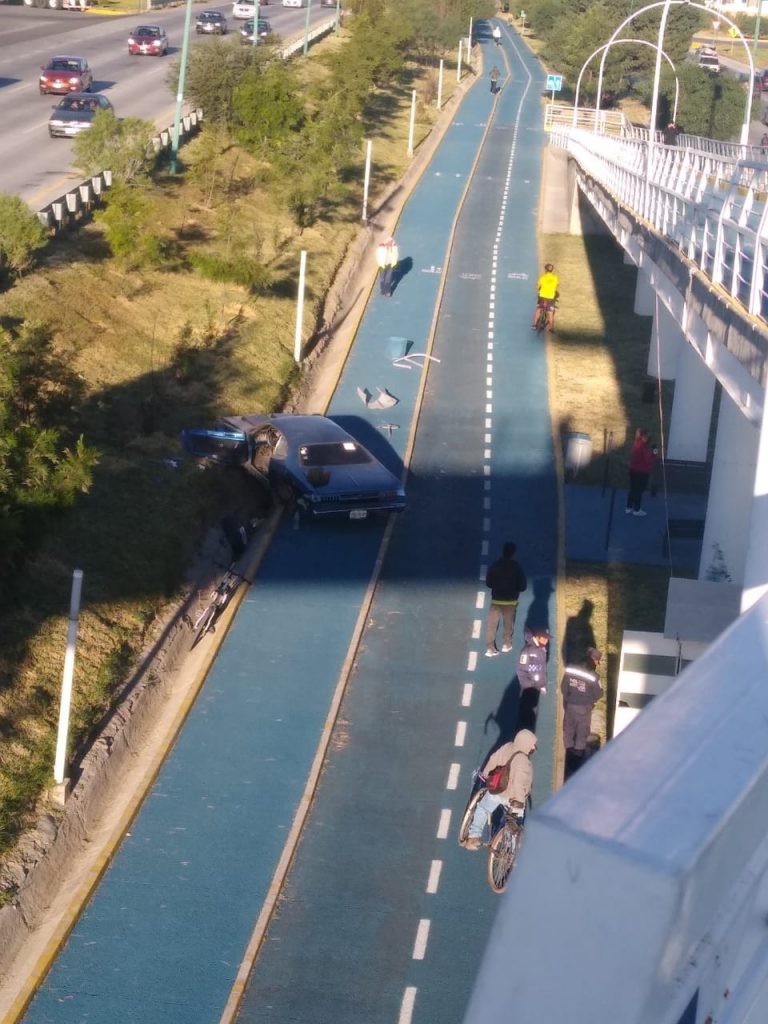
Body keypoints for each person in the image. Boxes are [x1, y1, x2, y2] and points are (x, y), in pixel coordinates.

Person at [465, 728, 537, 849]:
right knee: (514, 825)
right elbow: (519, 784)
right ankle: (511, 851)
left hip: (497, 790)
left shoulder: (508, 746)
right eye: (532, 745)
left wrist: (486, 775)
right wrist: (520, 801)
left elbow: (493, 759)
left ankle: (473, 838)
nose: (534, 748)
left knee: (483, 808)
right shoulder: (524, 762)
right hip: (512, 797)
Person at [562, 648, 603, 780]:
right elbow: (598, 694)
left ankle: (567, 756)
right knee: (581, 734)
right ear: (594, 660)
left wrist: (569, 699)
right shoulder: (593, 676)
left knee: (568, 730)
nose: (597, 664)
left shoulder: (571, 669)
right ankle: (576, 764)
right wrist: (588, 701)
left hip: (570, 706)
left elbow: (563, 687)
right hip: (584, 709)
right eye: (597, 661)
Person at [484, 541, 527, 657]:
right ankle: (506, 644)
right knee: (508, 624)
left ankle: (490, 648)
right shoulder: (517, 567)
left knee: (492, 625)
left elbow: (488, 583)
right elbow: (523, 586)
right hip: (510, 601)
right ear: (514, 553)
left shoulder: (496, 564)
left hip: (496, 600)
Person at [626, 428, 656, 517]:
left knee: (633, 489)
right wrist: (654, 454)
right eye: (647, 437)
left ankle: (628, 507)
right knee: (639, 491)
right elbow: (648, 461)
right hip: (641, 472)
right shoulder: (644, 447)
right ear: (645, 437)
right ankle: (637, 509)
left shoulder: (636, 443)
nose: (648, 439)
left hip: (633, 470)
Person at [517, 627, 549, 694]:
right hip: (529, 689)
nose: (546, 641)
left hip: (538, 686)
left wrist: (542, 685)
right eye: (544, 638)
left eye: (547, 639)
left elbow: (543, 668)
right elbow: (521, 671)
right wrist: (530, 685)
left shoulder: (542, 649)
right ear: (537, 638)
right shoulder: (526, 651)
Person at [532, 262, 559, 331]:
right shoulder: (555, 278)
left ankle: (534, 325)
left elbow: (537, 287)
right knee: (550, 313)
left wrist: (539, 289)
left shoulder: (542, 277)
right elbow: (556, 286)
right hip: (550, 298)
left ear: (545, 270)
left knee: (538, 309)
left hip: (542, 297)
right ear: (552, 270)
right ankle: (551, 328)